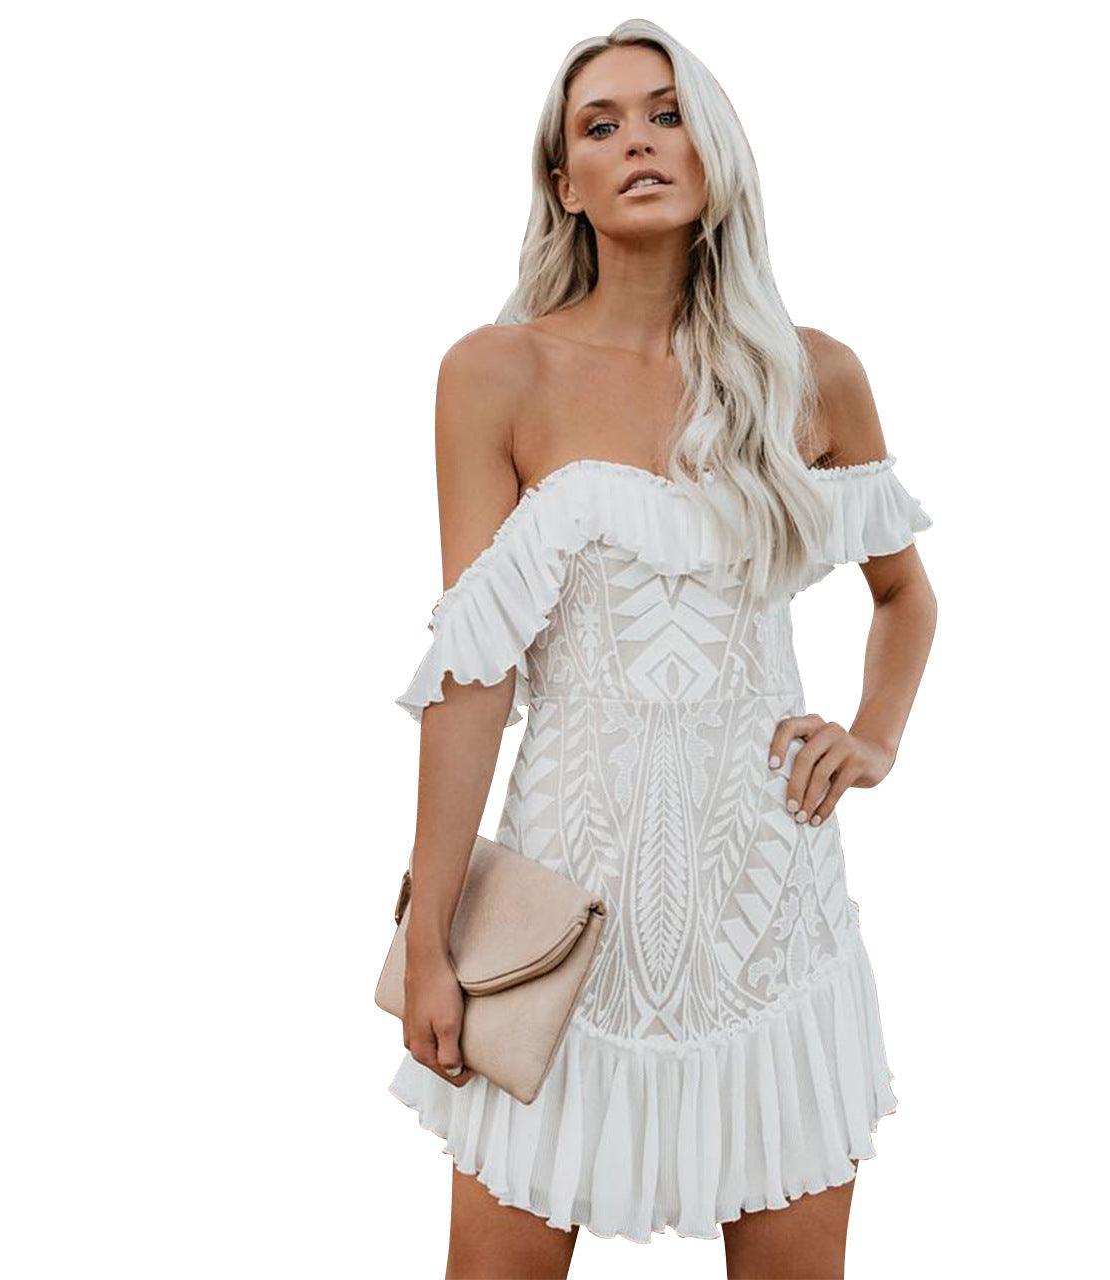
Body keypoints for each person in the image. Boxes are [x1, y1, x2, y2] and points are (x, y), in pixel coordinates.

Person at [387, 20, 937, 1279]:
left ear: (712, 149)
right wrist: (429, 935)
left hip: (770, 915)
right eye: (601, 124)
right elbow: (472, 675)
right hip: (556, 925)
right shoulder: (495, 374)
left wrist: (872, 736)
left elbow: (903, 593)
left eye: (665, 111)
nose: (638, 139)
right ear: (564, 183)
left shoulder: (811, 376)